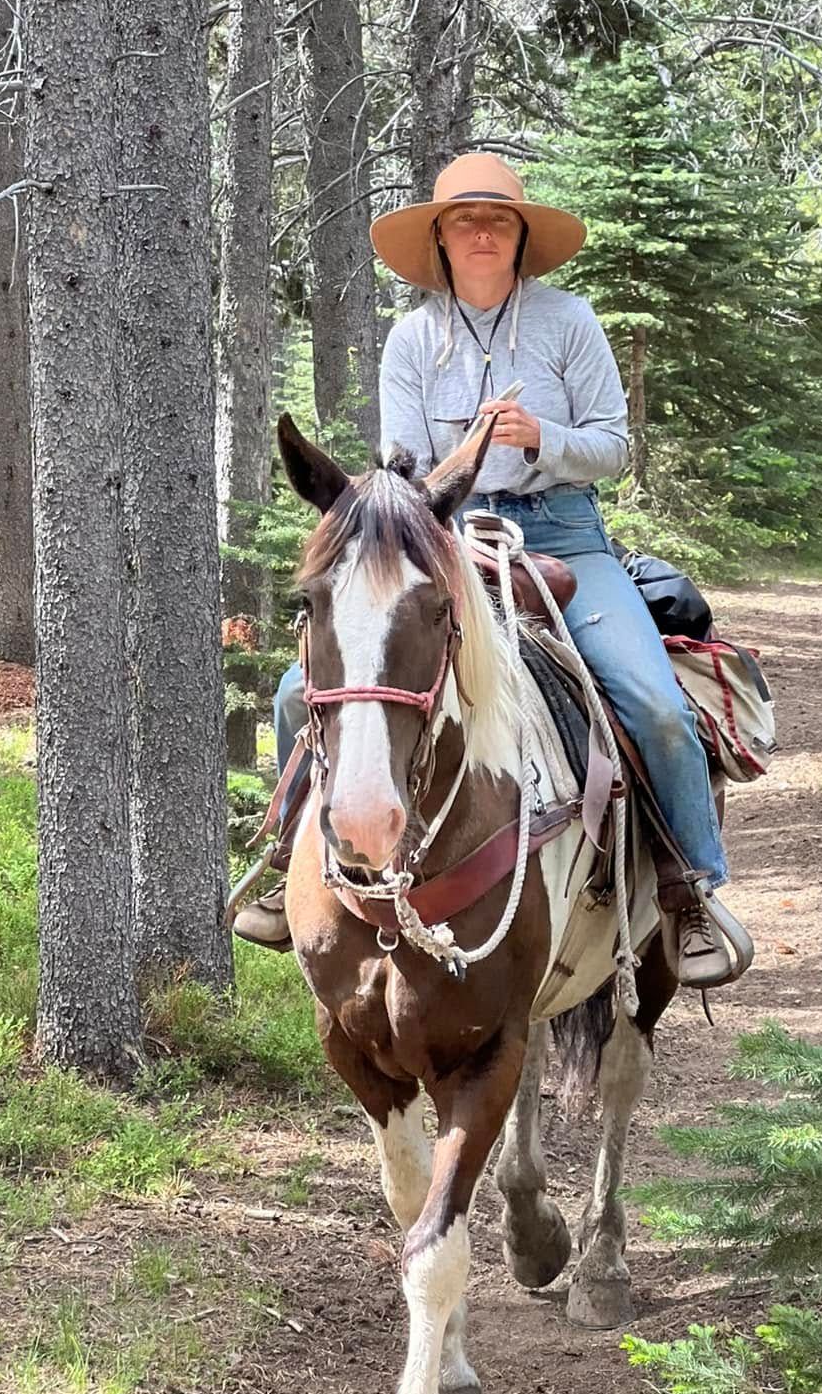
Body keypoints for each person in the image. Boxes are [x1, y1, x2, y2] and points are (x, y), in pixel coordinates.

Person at [233, 151, 751, 989]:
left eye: (498, 220)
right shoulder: (412, 338)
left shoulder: (570, 321)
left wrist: (539, 437)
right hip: (445, 537)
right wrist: (442, 519)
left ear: (520, 237)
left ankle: (691, 889)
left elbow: (614, 447)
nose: (481, 232)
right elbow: (401, 473)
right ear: (439, 238)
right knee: (302, 692)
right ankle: (289, 856)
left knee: (653, 703)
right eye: (465, 220)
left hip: (567, 534)